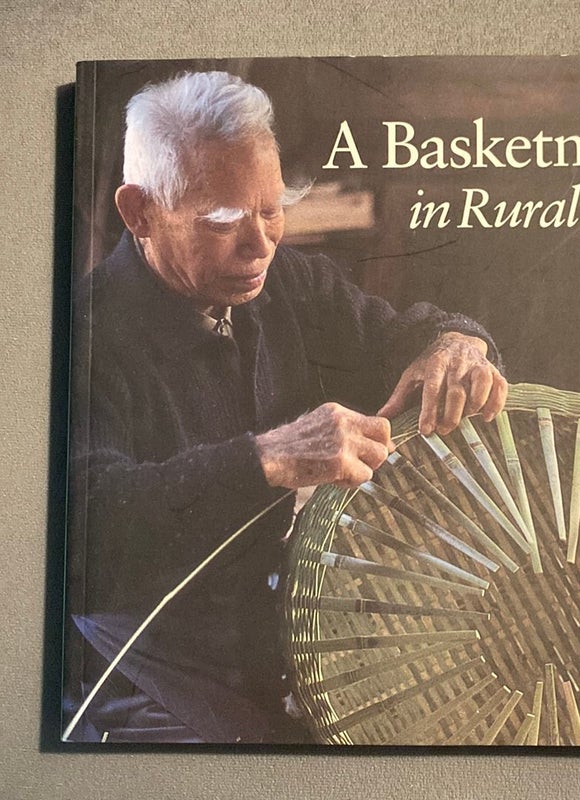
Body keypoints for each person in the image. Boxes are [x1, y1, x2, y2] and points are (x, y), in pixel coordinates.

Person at [65, 71, 507, 743]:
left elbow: (394, 336)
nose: (261, 243)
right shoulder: (84, 337)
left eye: (273, 209)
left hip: (281, 636)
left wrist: (452, 342)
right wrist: (266, 459)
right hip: (147, 672)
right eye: (222, 221)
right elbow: (81, 537)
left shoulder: (279, 280)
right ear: (138, 211)